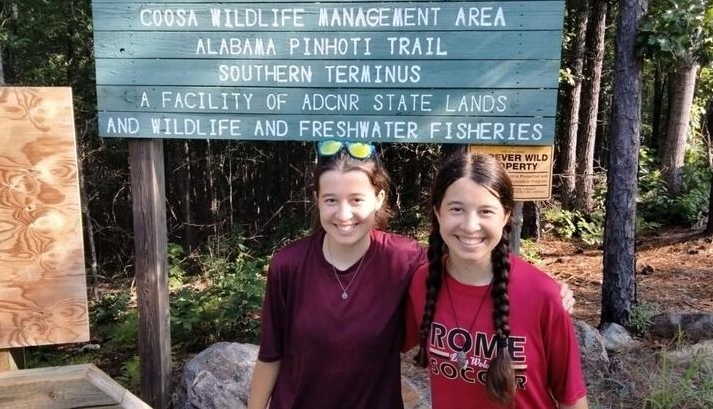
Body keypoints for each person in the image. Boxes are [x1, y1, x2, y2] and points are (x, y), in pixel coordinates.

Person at [248, 141, 575, 409]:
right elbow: (270, 355)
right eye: (331, 200)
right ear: (316, 200)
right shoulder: (289, 265)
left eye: (356, 199)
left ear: (379, 198)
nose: (344, 213)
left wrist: (547, 291)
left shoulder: (404, 261)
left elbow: (468, 255)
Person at [405, 152, 588, 409]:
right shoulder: (422, 283)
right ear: (438, 213)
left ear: (505, 216)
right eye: (456, 209)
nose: (470, 226)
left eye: (486, 211)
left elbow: (572, 400)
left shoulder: (543, 295)